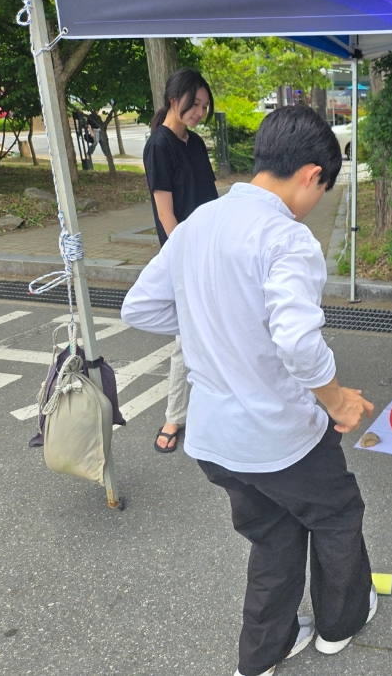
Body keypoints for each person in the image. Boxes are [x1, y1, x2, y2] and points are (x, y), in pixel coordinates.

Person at [121, 104, 377, 676]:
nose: (317, 203)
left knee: (274, 532)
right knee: (336, 514)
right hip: (278, 435)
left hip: (216, 441)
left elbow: (138, 307)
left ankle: (265, 651)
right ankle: (339, 625)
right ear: (313, 174)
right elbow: (298, 343)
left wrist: (216, 326)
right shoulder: (287, 239)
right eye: (323, 189)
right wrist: (337, 400)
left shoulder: (198, 224)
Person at [143, 68, 219, 453]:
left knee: (214, 328)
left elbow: (209, 200)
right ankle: (174, 415)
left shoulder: (195, 143)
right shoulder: (160, 145)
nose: (200, 112)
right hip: (183, 256)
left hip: (209, 251)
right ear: (175, 99)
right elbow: (166, 215)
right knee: (184, 338)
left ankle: (213, 399)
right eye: (195, 104)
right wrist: (189, 259)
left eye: (205, 107)